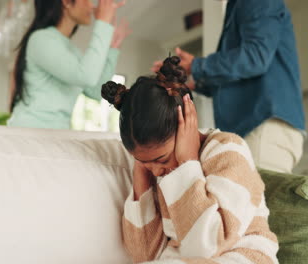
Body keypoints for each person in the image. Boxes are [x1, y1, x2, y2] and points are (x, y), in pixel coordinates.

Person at [102, 56, 278, 263]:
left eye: (161, 159)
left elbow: (209, 245)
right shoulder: (157, 169)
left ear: (188, 124)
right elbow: (144, 254)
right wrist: (141, 173)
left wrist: (188, 163)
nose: (157, 171)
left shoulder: (228, 150)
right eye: (144, 161)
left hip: (241, 255)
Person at [152, 0, 305, 173]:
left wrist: (196, 65)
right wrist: (191, 83)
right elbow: (240, 71)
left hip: (263, 127)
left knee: (253, 199)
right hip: (258, 128)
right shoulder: (237, 7)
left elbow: (255, 58)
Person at [7, 0, 130, 129]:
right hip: (29, 131)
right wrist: (103, 23)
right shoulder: (41, 39)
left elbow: (95, 90)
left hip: (55, 134)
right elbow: (86, 76)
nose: (91, 5)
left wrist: (112, 50)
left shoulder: (70, 49)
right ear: (66, 2)